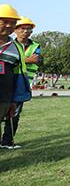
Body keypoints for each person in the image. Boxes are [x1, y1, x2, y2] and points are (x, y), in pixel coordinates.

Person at [1, 17, 40, 149]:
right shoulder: (10, 44)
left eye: (29, 29)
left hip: (21, 83)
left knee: (14, 113)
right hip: (10, 80)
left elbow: (35, 59)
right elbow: (18, 59)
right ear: (16, 30)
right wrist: (26, 59)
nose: (26, 31)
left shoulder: (34, 45)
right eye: (23, 28)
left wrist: (24, 59)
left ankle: (7, 141)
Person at [0, 5, 23, 138]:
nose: (9, 26)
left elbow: (17, 75)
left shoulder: (17, 48)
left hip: (4, 96)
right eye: (5, 21)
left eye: (13, 23)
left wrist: (14, 100)